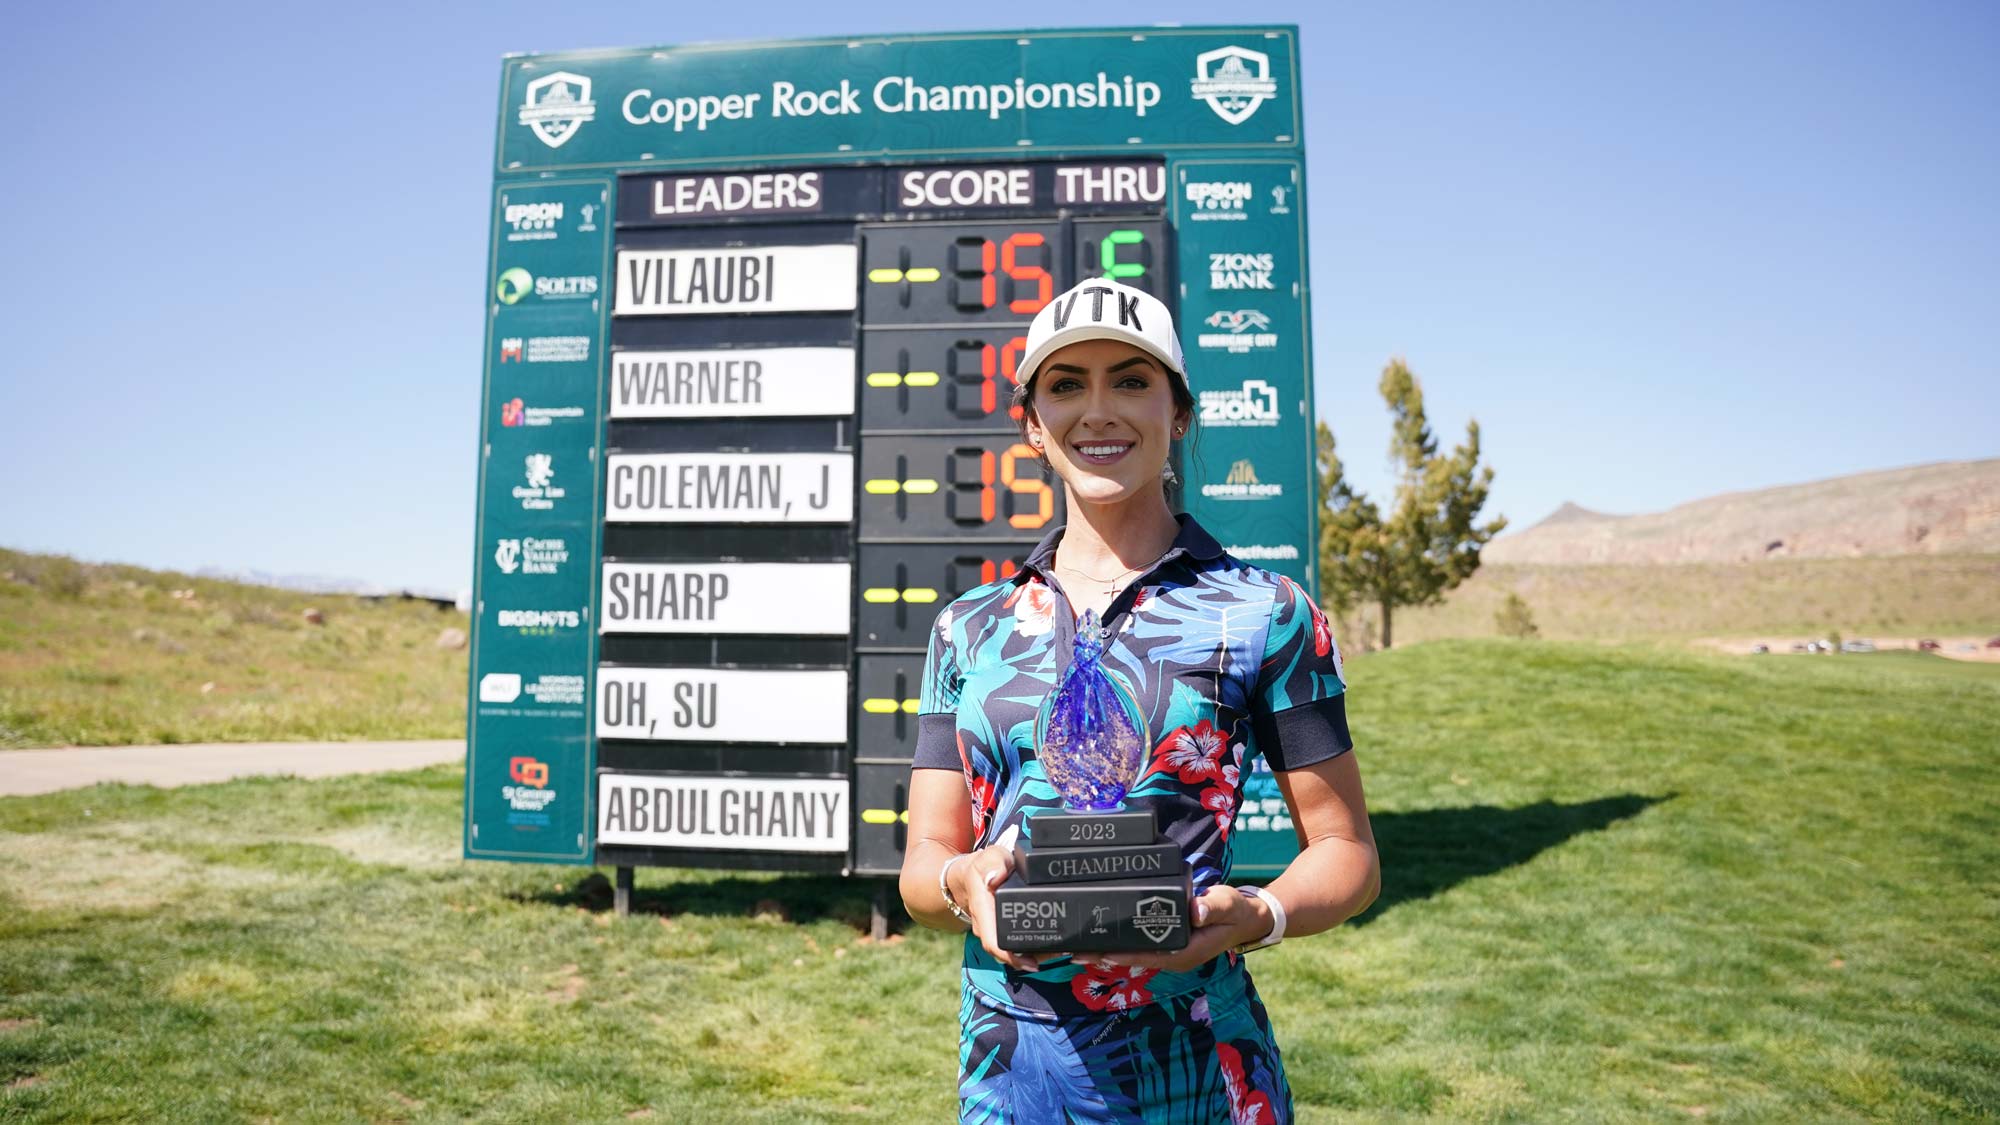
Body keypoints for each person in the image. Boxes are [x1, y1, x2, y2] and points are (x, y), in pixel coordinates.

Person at [898, 277, 1381, 1123]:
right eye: (1065, 385)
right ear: (1032, 427)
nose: (1098, 411)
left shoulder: (1267, 613)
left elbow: (1347, 853)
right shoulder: (966, 629)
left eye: (1130, 380)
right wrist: (961, 879)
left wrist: (1256, 913)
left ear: (1180, 412)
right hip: (1013, 1071)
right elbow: (923, 864)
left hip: (1199, 1063)